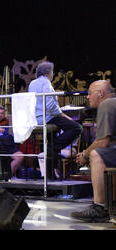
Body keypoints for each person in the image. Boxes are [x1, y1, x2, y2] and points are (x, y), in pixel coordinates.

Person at [71, 80, 116, 222]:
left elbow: (103, 142)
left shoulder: (107, 104)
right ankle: (111, 203)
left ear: (100, 93)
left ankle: (99, 207)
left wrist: (85, 154)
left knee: (96, 154)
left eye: (90, 93)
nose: (88, 97)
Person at [28, 61, 82, 176]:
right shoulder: (46, 83)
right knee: (76, 128)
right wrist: (61, 113)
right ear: (49, 73)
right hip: (47, 117)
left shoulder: (32, 83)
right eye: (52, 72)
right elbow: (50, 106)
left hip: (36, 118)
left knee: (55, 135)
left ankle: (50, 171)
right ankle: (51, 149)